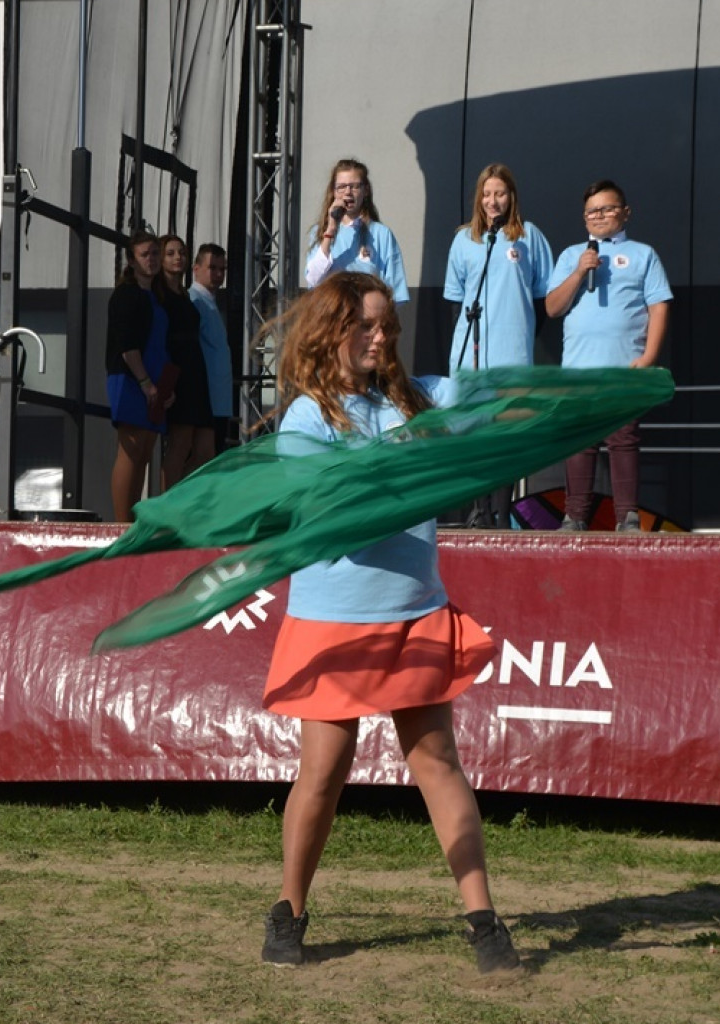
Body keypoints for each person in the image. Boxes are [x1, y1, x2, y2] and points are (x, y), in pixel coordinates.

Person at [259, 271, 521, 977]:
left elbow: (496, 395)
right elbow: (333, 516)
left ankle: (483, 919)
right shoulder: (307, 419)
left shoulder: (413, 400)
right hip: (333, 617)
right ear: (332, 331)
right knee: (324, 769)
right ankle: (289, 910)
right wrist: (405, 470)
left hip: (413, 609)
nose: (381, 338)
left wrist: (572, 399)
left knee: (437, 761)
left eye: (388, 327)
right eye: (367, 326)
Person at [545, 180, 672, 532]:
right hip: (579, 370)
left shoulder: (643, 254)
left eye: (607, 208)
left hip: (624, 368)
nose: (599, 216)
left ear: (625, 212)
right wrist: (579, 271)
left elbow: (658, 306)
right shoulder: (573, 255)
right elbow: (553, 308)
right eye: (592, 211)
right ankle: (574, 515)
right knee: (581, 443)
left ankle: (627, 515)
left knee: (623, 440)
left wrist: (648, 357)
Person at [443, 163, 553, 528]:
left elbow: (543, 297)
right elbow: (456, 300)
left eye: (500, 193)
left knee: (506, 435)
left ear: (512, 197)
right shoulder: (464, 240)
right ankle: (478, 509)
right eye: (487, 194)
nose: (493, 201)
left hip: (513, 349)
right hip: (473, 350)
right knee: (475, 433)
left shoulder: (530, 237)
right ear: (479, 198)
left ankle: (502, 512)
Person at [105, 231, 173, 522]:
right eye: (145, 255)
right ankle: (121, 524)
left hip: (154, 380)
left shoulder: (156, 297)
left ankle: (132, 519)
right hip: (132, 379)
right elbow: (127, 346)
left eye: (155, 254)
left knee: (145, 451)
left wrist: (164, 386)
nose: (152, 260)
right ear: (132, 261)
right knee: (131, 449)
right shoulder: (126, 294)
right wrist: (145, 382)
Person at [156, 235, 216, 488]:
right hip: (177, 369)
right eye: (170, 253)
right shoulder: (158, 294)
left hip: (195, 370)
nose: (177, 257)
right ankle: (166, 507)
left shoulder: (182, 294)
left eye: (181, 252)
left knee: (206, 450)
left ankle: (185, 500)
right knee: (179, 444)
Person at [305, 158, 409, 302]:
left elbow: (395, 292)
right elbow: (313, 280)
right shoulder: (320, 232)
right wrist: (330, 229)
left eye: (354, 186)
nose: (348, 192)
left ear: (365, 190)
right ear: (333, 191)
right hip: (333, 317)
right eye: (341, 187)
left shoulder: (381, 234)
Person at [189, 244, 234, 456]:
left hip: (217, 398)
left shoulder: (209, 302)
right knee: (200, 457)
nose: (218, 274)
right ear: (196, 269)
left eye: (222, 269)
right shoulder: (195, 301)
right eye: (212, 268)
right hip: (205, 397)